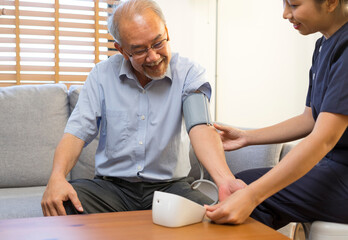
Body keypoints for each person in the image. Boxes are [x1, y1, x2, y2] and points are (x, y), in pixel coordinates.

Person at [41, 0, 243, 216]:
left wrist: (225, 180)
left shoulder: (189, 74)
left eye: (158, 43)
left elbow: (201, 127)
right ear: (121, 50)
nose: (153, 57)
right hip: (112, 189)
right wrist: (57, 177)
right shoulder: (101, 75)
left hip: (170, 189)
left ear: (165, 31)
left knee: (213, 216)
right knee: (64, 203)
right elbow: (76, 133)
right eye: (139, 50)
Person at [205, 0, 348, 229]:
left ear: (331, 2)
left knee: (248, 192)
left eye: (294, 4)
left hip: (342, 175)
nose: (285, 14)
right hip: (333, 167)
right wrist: (246, 137)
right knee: (242, 183)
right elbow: (309, 119)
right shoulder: (323, 45)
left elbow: (323, 139)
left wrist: (252, 196)